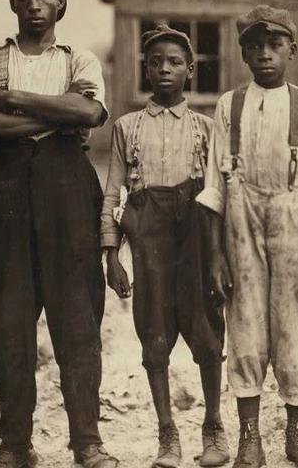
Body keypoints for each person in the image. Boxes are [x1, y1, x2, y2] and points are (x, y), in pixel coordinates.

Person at [0, 0, 117, 468]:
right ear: (11, 3)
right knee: (11, 320)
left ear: (61, 1)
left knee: (77, 317)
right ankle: (15, 443)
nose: (34, 5)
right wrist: (53, 115)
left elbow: (89, 112)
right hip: (6, 191)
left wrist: (18, 100)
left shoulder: (79, 59)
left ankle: (86, 442)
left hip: (67, 187)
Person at [198, 5, 298, 468]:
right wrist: (216, 255)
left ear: (292, 50)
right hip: (241, 216)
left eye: (274, 45)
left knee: (295, 323)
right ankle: (249, 437)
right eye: (254, 46)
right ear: (243, 54)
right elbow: (215, 186)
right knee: (246, 324)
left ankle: (297, 433)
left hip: (295, 216)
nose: (265, 55)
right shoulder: (228, 105)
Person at [100, 24, 229, 468]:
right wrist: (111, 253)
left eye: (174, 62)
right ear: (145, 69)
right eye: (155, 62)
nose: (164, 70)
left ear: (190, 70)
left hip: (195, 237)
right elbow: (115, 192)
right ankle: (167, 434)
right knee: (153, 335)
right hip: (149, 240)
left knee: (208, 331)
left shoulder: (207, 129)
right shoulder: (127, 127)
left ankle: (213, 425)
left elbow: (218, 197)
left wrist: (219, 258)